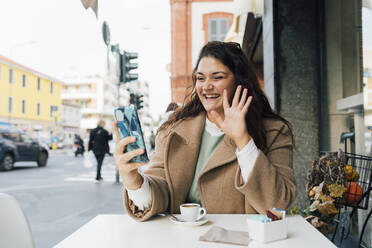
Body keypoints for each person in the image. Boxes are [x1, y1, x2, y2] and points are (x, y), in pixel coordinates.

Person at [114, 41, 296, 221]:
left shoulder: (274, 131)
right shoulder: (174, 129)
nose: (206, 86)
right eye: (200, 78)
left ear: (240, 81)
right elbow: (161, 192)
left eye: (217, 77)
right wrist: (133, 181)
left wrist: (243, 141)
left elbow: (278, 204)